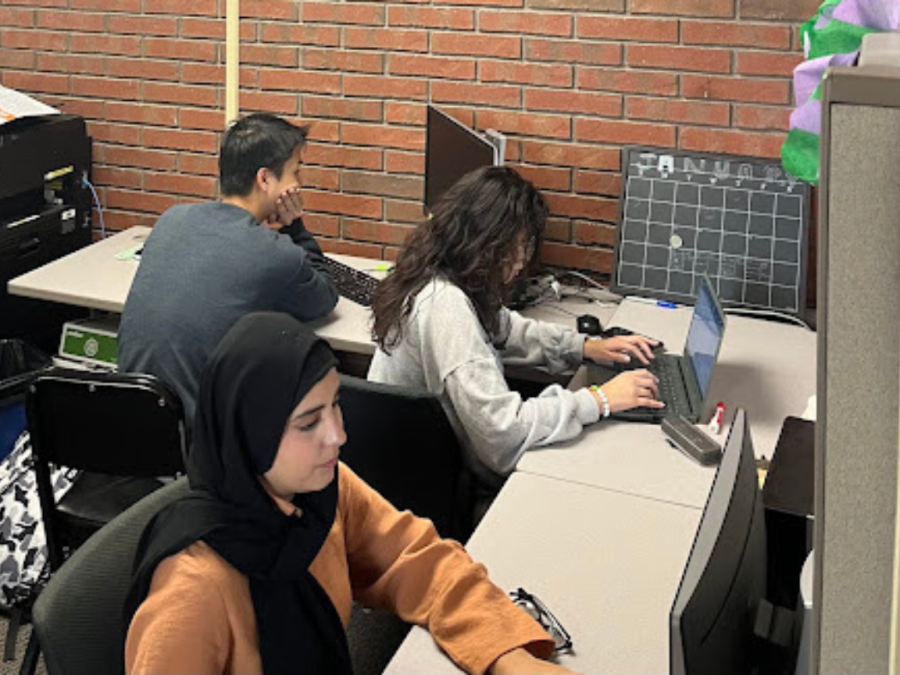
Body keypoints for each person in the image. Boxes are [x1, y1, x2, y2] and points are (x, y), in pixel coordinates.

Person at [124, 312, 577, 675]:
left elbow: (418, 560)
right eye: (308, 423)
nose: (337, 435)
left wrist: (508, 656)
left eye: (335, 405)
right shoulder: (193, 589)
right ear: (251, 435)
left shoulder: (319, 492)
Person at [368, 166, 663, 487]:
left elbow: (504, 328)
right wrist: (599, 400)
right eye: (518, 246)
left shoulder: (439, 270)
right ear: (487, 240)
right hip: (427, 478)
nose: (523, 260)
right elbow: (502, 434)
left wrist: (583, 347)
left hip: (419, 458)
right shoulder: (446, 307)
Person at [118, 113, 337, 425]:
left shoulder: (172, 219)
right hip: (201, 443)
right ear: (265, 179)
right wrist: (295, 228)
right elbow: (324, 296)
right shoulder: (275, 254)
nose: (298, 185)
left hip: (132, 422)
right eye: (295, 174)